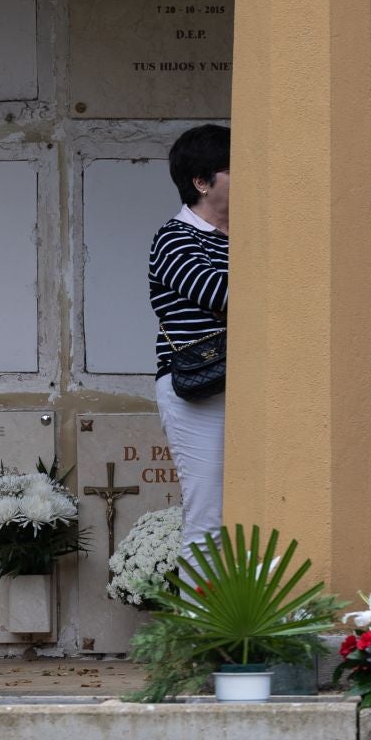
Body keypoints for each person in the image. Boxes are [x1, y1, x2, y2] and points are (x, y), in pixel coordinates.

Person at [149, 123, 231, 561]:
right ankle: (202, 630)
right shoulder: (174, 237)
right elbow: (222, 295)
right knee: (208, 519)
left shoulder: (247, 239)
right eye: (237, 169)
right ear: (202, 182)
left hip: (243, 388)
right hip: (198, 391)